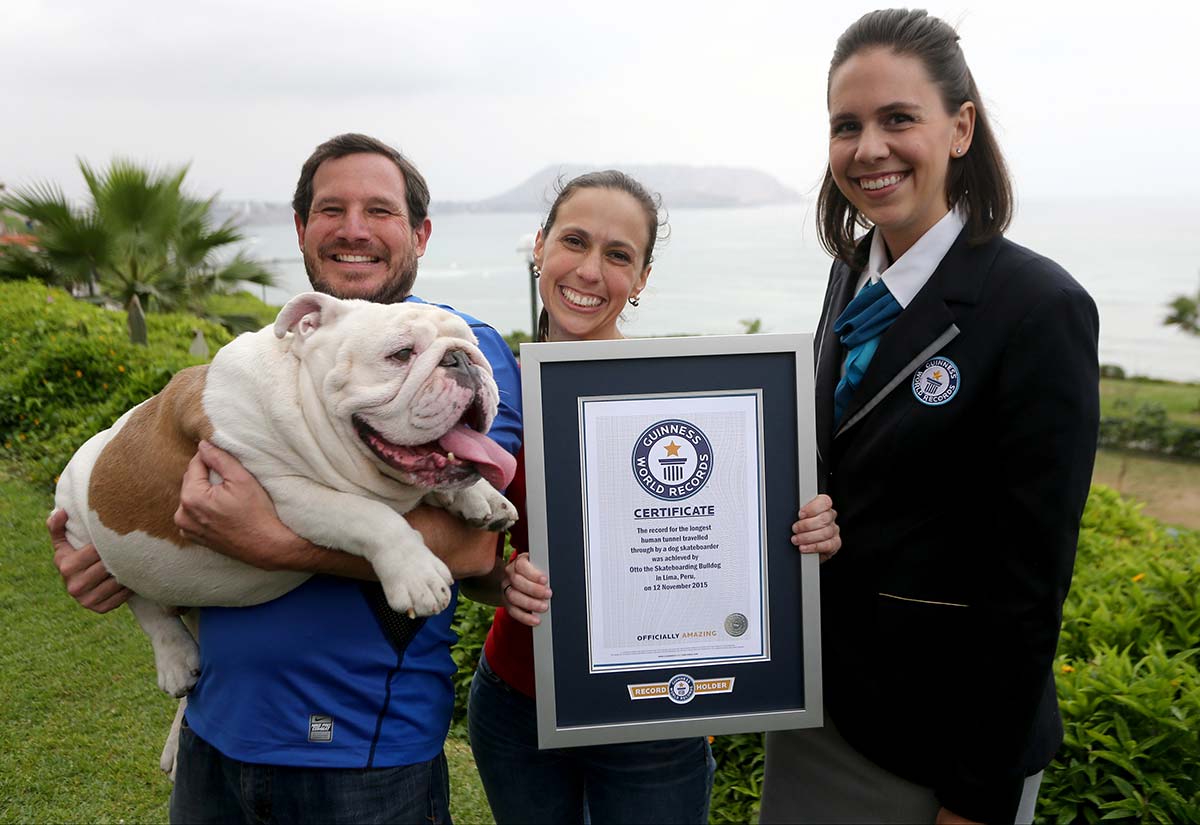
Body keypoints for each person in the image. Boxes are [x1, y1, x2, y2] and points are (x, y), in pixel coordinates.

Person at [49, 132, 522, 825]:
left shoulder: (460, 349)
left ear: (419, 232)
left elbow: (472, 549)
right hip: (215, 725)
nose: (354, 229)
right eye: (331, 209)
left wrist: (271, 540)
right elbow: (168, 491)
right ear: (301, 229)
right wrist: (119, 561)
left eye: (381, 211)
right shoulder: (282, 352)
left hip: (361, 750)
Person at [758, 10, 1100, 825]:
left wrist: (977, 797)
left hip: (938, 745)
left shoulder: (1038, 308)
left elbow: (1030, 586)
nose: (868, 147)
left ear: (960, 129)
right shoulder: (850, 280)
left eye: (897, 118)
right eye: (847, 125)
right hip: (815, 712)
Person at [460, 170, 842, 824]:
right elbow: (464, 559)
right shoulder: (495, 393)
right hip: (517, 703)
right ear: (539, 249)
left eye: (618, 255)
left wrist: (808, 532)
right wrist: (501, 581)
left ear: (640, 280)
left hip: (657, 719)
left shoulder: (684, 397)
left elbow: (744, 532)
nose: (588, 269)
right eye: (573, 241)